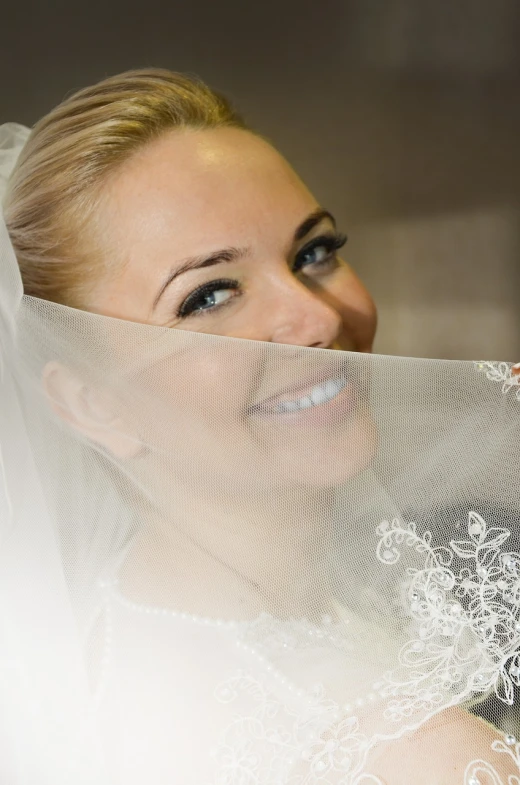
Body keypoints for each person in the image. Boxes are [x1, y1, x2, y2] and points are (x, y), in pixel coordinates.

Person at [1, 69, 519, 784]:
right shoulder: (423, 757)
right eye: (208, 295)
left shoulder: (77, 648)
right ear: (93, 404)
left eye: (314, 252)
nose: (318, 319)